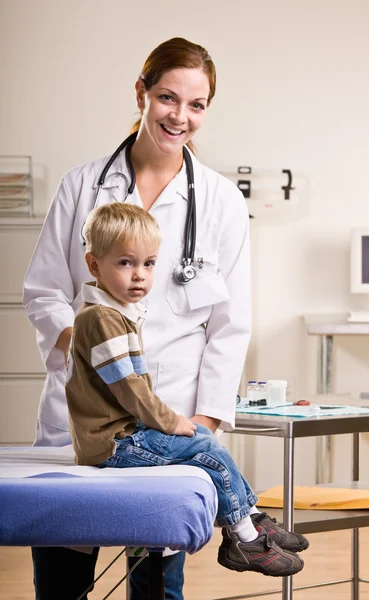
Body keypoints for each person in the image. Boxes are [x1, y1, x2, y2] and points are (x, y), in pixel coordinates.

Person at [21, 35, 293, 600]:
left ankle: (244, 528)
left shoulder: (219, 201)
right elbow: (44, 290)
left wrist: (208, 423)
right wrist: (86, 344)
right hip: (86, 416)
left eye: (197, 105)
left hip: (168, 415)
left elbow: (230, 322)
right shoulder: (80, 187)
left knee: (155, 584)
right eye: (168, 98)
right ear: (141, 93)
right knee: (64, 578)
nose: (181, 117)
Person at [66, 201, 307, 581]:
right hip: (114, 443)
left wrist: (173, 424)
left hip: (126, 433)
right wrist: (169, 421)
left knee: (205, 442)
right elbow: (129, 388)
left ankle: (248, 519)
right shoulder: (100, 318)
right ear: (94, 265)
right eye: (125, 263)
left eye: (148, 264)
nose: (140, 276)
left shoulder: (117, 314)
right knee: (206, 451)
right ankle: (244, 535)